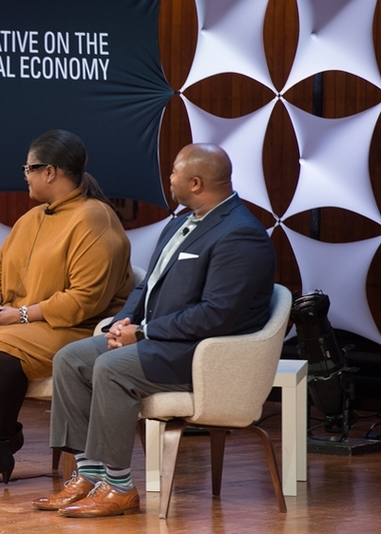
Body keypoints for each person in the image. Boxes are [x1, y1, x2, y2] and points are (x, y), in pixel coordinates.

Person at [31, 143, 276, 517]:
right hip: (158, 340)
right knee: (70, 358)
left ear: (195, 182)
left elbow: (216, 315)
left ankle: (118, 487)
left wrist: (143, 333)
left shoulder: (241, 235)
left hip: (198, 354)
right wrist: (121, 323)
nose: (169, 177)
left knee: (111, 369)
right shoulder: (179, 223)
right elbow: (145, 286)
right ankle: (89, 474)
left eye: (175, 172)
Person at [0, 129, 135, 491]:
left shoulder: (95, 219)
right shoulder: (30, 218)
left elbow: (84, 300)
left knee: (1, 356)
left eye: (29, 168)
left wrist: (19, 315)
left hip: (75, 326)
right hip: (21, 321)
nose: (25, 175)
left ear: (51, 172)